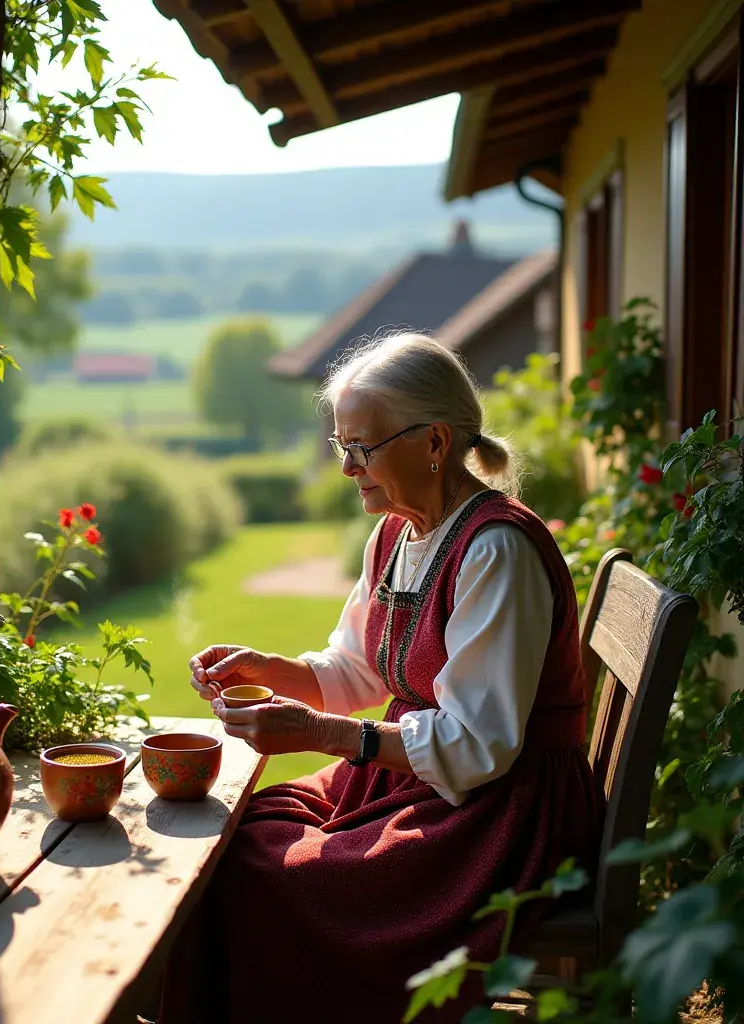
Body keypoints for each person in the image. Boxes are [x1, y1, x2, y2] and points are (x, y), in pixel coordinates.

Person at [156, 334, 600, 1024]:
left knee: (261, 876)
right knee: (234, 836)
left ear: (435, 443)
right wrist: (269, 669)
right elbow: (361, 667)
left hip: (497, 815)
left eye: (361, 447)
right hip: (418, 786)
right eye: (341, 445)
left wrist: (317, 734)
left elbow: (479, 746)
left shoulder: (497, 551)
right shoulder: (396, 535)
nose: (345, 467)